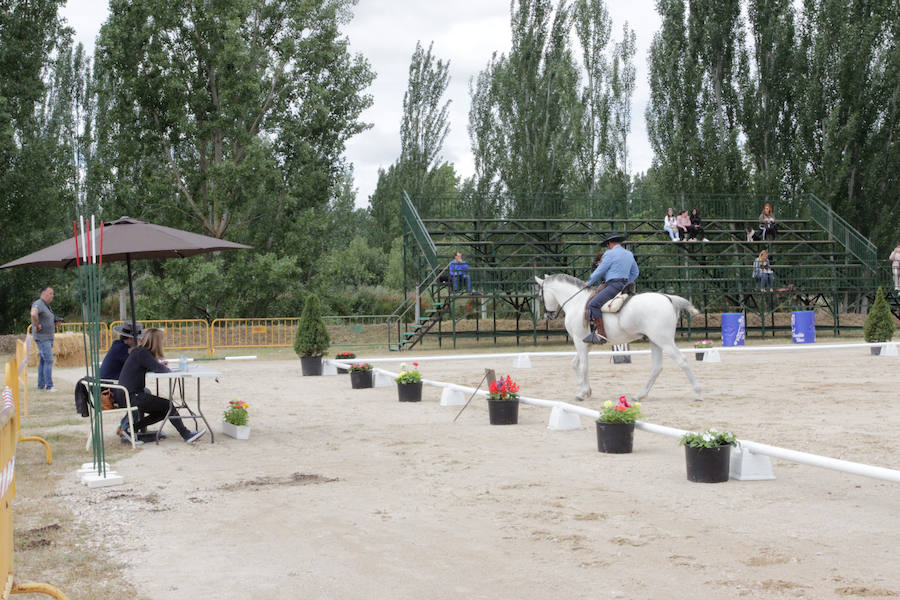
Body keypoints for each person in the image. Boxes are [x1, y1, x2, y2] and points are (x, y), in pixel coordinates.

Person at [116, 328, 206, 445]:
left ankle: (130, 429)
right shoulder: (142, 353)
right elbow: (160, 369)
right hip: (132, 396)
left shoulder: (140, 352)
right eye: (161, 341)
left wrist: (158, 365)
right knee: (168, 406)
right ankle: (186, 434)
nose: (162, 343)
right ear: (156, 342)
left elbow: (151, 366)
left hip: (126, 395)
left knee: (164, 410)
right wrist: (161, 366)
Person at [583, 233, 639, 345]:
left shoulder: (609, 254)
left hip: (613, 285)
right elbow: (635, 272)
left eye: (607, 245)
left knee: (593, 304)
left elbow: (600, 270)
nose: (607, 247)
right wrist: (627, 282)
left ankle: (601, 335)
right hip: (626, 285)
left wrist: (589, 282)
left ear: (610, 243)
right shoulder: (629, 254)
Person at [99, 321, 143, 406]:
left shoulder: (119, 346)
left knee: (141, 394)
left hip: (111, 386)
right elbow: (138, 365)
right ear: (130, 338)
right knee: (140, 395)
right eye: (138, 338)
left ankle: (134, 419)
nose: (140, 340)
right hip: (111, 390)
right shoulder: (122, 349)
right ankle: (132, 419)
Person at [30, 286, 58, 392]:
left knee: (43, 361)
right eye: (50, 293)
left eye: (52, 293)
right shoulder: (38, 303)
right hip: (43, 338)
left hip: (48, 337)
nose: (52, 296)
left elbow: (45, 318)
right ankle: (49, 386)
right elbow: (33, 314)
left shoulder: (46, 306)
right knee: (49, 360)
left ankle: (40, 385)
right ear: (43, 293)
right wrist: (37, 325)